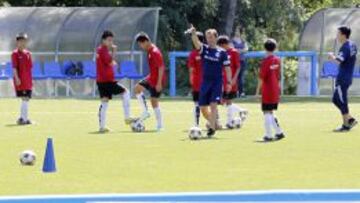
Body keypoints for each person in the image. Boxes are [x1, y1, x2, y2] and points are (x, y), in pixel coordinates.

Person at [188, 25, 232, 137]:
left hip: (217, 82)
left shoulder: (222, 52)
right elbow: (196, 43)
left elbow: (227, 68)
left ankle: (211, 129)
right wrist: (193, 33)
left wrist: (229, 82)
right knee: (202, 107)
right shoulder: (204, 49)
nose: (210, 39)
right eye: (208, 37)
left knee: (213, 105)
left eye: (212, 37)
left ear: (216, 38)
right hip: (205, 82)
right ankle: (215, 122)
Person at [96, 30, 132, 133]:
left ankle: (102, 127)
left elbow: (109, 62)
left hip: (101, 81)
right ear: (103, 40)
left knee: (104, 102)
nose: (111, 43)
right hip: (107, 81)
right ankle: (127, 117)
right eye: (109, 40)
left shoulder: (100, 50)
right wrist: (114, 52)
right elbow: (110, 62)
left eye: (112, 40)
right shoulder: (103, 50)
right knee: (126, 92)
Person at [134, 32, 166, 131]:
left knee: (154, 101)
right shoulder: (149, 51)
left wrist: (159, 83)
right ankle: (145, 112)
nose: (141, 46)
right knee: (137, 88)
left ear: (146, 41)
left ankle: (160, 125)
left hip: (157, 80)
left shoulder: (155, 52)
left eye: (141, 44)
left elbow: (161, 67)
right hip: (151, 77)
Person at [328, 26, 358, 132]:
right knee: (337, 99)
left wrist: (332, 57)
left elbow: (339, 60)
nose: (337, 36)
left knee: (339, 100)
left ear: (343, 35)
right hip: (347, 77)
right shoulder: (353, 44)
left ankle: (348, 122)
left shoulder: (345, 47)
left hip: (343, 78)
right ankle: (348, 122)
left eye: (338, 34)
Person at [256, 38, 285, 142]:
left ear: (264, 48)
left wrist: (257, 92)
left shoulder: (265, 61)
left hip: (267, 90)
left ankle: (268, 135)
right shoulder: (277, 60)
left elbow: (261, 77)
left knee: (266, 111)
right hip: (275, 89)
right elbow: (279, 76)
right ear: (275, 48)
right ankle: (279, 132)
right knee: (270, 111)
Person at [217, 35, 248, 129]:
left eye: (220, 46)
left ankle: (230, 122)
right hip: (223, 81)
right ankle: (241, 110)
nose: (220, 48)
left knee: (228, 101)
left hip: (230, 81)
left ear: (225, 44)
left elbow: (238, 67)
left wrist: (234, 79)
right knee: (224, 101)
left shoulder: (234, 52)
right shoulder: (221, 53)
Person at [12, 32, 33, 125]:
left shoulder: (28, 53)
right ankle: (23, 119)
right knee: (24, 98)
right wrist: (17, 78)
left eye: (24, 41)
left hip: (28, 80)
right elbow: (14, 68)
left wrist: (31, 81)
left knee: (27, 98)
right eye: (21, 41)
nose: (23, 43)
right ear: (17, 42)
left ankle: (23, 118)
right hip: (21, 80)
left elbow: (29, 68)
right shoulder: (15, 54)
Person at [187, 31, 204, 127]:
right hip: (204, 82)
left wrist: (191, 79)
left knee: (197, 104)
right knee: (209, 104)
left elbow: (191, 70)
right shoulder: (208, 51)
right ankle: (214, 122)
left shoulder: (193, 54)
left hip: (198, 83)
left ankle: (196, 124)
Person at [232, 26, 248, 97]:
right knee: (235, 76)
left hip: (242, 60)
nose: (236, 32)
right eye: (236, 31)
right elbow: (232, 49)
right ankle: (235, 92)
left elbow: (246, 49)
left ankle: (241, 92)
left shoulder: (243, 41)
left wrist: (238, 50)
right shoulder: (232, 40)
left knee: (241, 77)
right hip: (234, 61)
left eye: (238, 31)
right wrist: (241, 50)